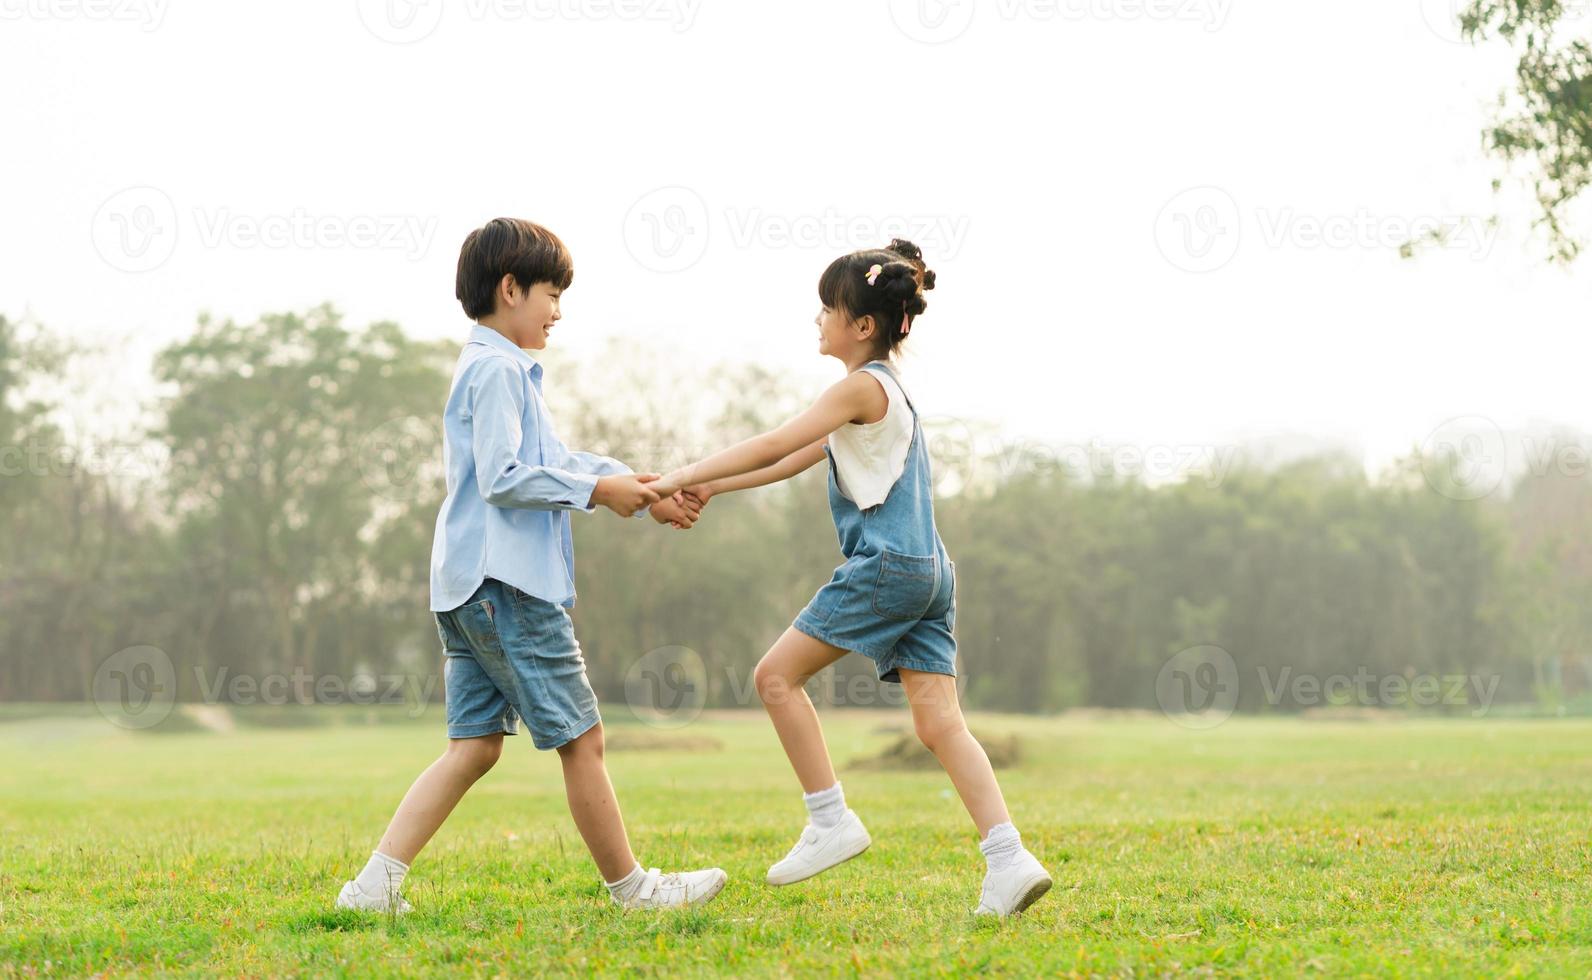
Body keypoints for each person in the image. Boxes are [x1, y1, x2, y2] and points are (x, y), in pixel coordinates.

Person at [652, 240, 1052, 917]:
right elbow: (794, 457)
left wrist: (681, 475)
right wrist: (715, 490)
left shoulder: (859, 387)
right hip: (932, 572)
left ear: (862, 325)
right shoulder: (884, 392)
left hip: (888, 567)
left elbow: (779, 439)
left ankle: (830, 818)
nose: (817, 320)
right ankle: (1009, 859)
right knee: (941, 725)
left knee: (773, 678)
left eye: (826, 308)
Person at [336, 217, 725, 913]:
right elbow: (504, 476)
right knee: (583, 737)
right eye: (551, 292)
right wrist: (597, 492)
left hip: (466, 590)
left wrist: (638, 488)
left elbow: (555, 462)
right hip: (506, 587)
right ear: (511, 288)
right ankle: (634, 890)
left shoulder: (498, 371)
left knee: (475, 747)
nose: (558, 310)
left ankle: (373, 887)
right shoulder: (495, 371)